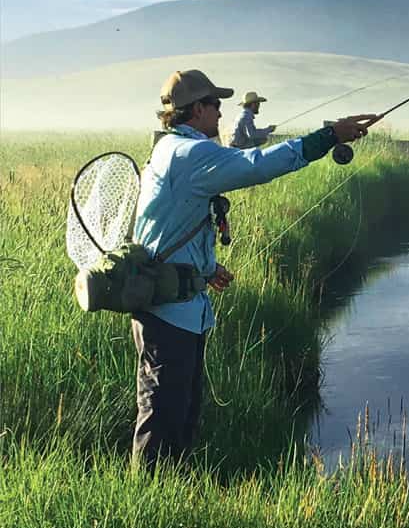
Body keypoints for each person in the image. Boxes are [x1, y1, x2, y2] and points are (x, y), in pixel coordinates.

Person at [131, 68, 379, 467]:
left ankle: (169, 494)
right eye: (215, 104)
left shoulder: (169, 148)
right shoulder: (190, 153)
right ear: (196, 109)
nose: (220, 112)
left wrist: (206, 268)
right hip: (168, 313)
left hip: (178, 304)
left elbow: (169, 224)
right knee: (164, 417)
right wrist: (329, 136)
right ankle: (146, 508)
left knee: (182, 410)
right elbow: (257, 165)